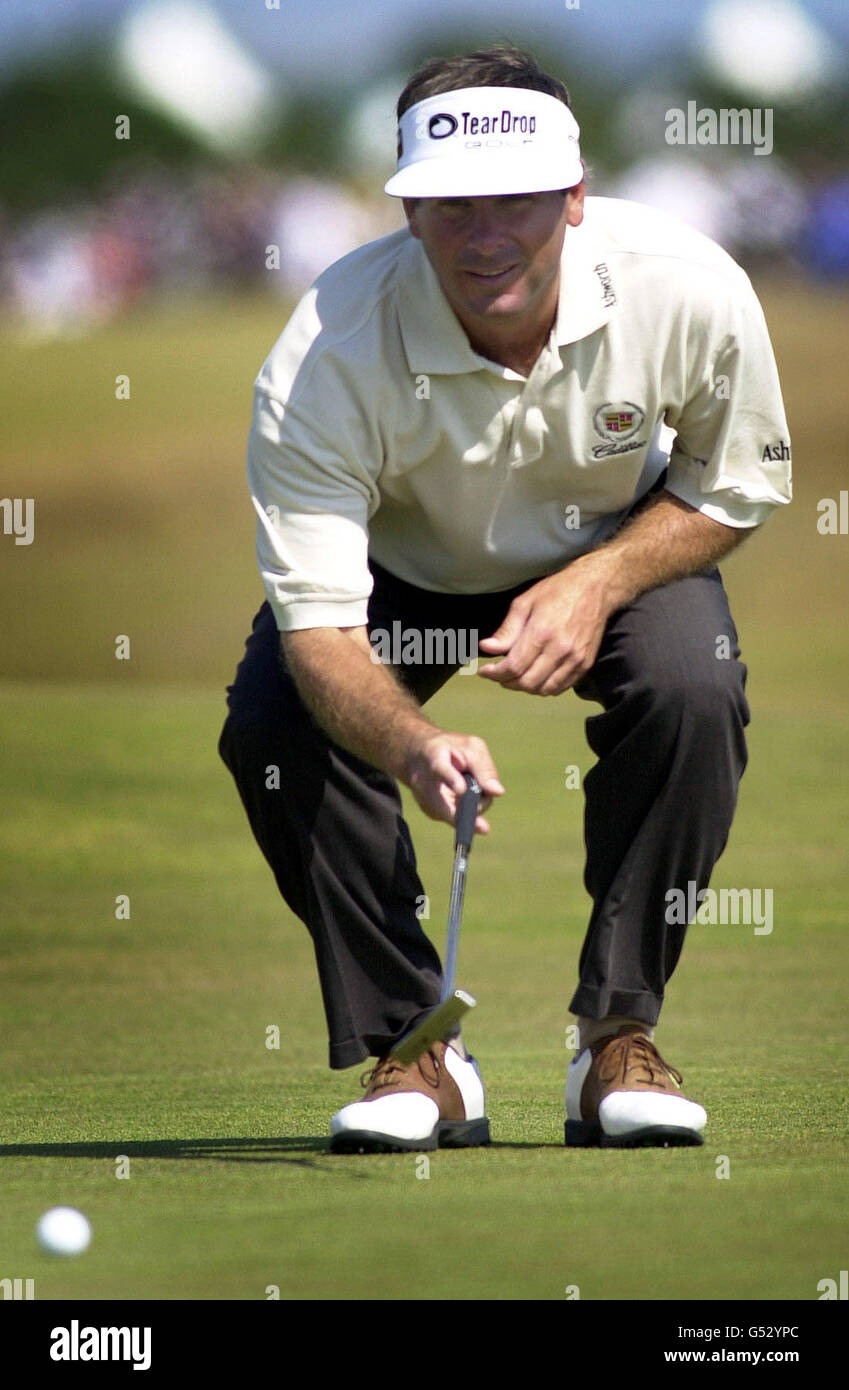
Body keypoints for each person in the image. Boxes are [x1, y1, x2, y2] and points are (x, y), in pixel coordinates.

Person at [219, 45, 792, 1153]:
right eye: (448, 204)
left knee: (689, 683)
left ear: (575, 197)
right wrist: (412, 739)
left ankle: (615, 1038)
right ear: (407, 206)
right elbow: (321, 627)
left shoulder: (689, 284)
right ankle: (419, 1049)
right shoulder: (325, 352)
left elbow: (741, 481)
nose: (485, 236)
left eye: (518, 200)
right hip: (400, 568)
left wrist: (599, 579)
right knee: (275, 726)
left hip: (613, 538)